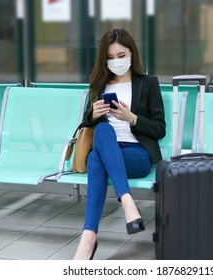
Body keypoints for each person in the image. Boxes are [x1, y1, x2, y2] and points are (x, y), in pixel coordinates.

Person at [73, 28, 165, 260]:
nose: (117, 61)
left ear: (132, 54)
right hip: (106, 151)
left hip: (137, 154)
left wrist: (131, 118)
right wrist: (93, 114)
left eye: (122, 55)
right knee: (102, 131)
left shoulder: (148, 83)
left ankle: (88, 238)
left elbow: (159, 129)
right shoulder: (100, 85)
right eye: (111, 57)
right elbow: (87, 122)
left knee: (96, 159)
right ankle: (125, 204)